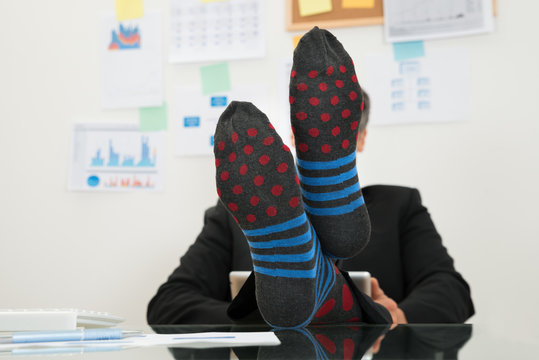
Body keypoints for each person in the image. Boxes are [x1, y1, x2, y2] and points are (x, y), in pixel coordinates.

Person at [147, 28, 474, 326]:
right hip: (289, 344)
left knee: (299, 300)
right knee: (310, 307)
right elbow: (168, 305)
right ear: (295, 138)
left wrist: (395, 315)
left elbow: (452, 292)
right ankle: (319, 259)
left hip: (370, 343)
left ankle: (298, 289)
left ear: (360, 139)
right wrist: (271, 320)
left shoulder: (400, 205)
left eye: (348, 133)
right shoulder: (232, 216)